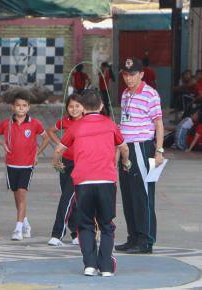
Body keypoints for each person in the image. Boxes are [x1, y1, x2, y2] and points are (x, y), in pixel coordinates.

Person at [53, 89, 130, 277]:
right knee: (106, 224)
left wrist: (57, 163)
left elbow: (58, 149)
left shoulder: (76, 127)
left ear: (83, 108)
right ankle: (105, 267)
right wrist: (125, 162)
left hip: (83, 182)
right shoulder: (110, 124)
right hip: (106, 180)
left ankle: (89, 265)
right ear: (102, 106)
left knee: (85, 224)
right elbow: (123, 147)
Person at [116, 57, 164, 254]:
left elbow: (158, 124)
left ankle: (146, 240)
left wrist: (159, 150)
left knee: (142, 195)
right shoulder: (125, 94)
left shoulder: (150, 94)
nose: (129, 79)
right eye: (126, 75)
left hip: (141, 148)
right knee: (128, 194)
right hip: (125, 148)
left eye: (133, 74)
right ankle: (133, 237)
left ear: (141, 74)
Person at [0, 91, 49, 241]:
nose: (21, 108)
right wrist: (3, 143)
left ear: (28, 107)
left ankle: (18, 228)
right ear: (13, 107)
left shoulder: (34, 123)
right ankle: (25, 223)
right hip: (11, 164)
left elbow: (46, 137)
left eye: (24, 106)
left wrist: (37, 153)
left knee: (22, 193)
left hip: (27, 165)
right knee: (17, 196)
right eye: (18, 106)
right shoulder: (7, 123)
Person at [47, 94, 83, 246]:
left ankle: (57, 234)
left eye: (77, 106)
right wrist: (60, 144)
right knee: (69, 198)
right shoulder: (65, 121)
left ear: (83, 107)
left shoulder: (87, 122)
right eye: (70, 106)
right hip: (64, 162)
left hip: (80, 164)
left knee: (67, 197)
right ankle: (76, 233)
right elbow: (50, 131)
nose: (74, 109)